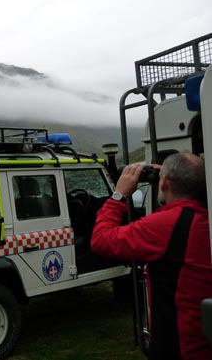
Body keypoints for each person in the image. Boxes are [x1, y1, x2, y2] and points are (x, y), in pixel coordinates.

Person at [91, 152, 212, 360]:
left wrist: (119, 195)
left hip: (178, 346)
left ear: (164, 182)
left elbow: (102, 240)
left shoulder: (165, 225)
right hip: (203, 341)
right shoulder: (203, 219)